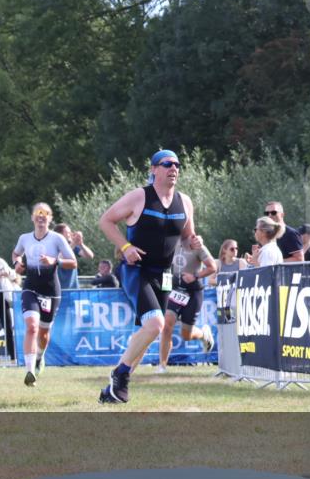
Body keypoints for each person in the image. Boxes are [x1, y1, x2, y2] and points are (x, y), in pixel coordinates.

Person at [97, 149, 200, 404]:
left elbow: (187, 236)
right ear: (154, 169)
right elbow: (106, 221)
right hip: (137, 270)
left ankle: (111, 391)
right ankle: (120, 374)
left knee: (145, 336)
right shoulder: (140, 196)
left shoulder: (185, 202)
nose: (174, 168)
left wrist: (193, 241)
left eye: (177, 164)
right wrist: (125, 247)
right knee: (156, 325)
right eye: (167, 164)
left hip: (164, 274)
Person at [12, 202, 76, 386]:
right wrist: (17, 263)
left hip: (50, 290)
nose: (41, 216)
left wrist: (54, 260)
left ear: (50, 218)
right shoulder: (24, 238)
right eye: (37, 214)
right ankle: (29, 371)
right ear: (32, 217)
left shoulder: (57, 239)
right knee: (31, 326)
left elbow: (73, 262)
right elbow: (16, 253)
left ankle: (39, 358)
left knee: (43, 333)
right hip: (30, 286)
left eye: (45, 214)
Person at [152, 237, 217, 373]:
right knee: (167, 326)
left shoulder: (197, 245)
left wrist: (195, 275)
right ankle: (162, 366)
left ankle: (203, 334)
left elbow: (212, 267)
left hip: (193, 292)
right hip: (176, 290)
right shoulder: (171, 243)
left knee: (186, 335)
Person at [53, 223, 93, 289]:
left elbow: (90, 256)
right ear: (60, 235)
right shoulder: (54, 246)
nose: (71, 234)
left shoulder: (72, 246)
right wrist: (74, 243)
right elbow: (59, 258)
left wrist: (81, 244)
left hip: (74, 288)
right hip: (59, 289)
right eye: (68, 233)